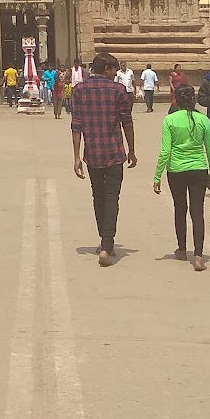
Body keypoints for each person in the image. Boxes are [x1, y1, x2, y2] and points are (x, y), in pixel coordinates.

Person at [70, 52, 136, 267]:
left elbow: (76, 125)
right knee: (111, 197)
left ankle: (104, 239)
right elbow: (127, 122)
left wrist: (76, 157)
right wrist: (132, 150)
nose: (115, 73)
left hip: (93, 154)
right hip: (115, 152)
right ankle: (107, 243)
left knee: (98, 196)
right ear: (107, 69)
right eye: (114, 70)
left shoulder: (79, 90)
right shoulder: (117, 90)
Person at [153, 83, 210, 270]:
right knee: (197, 212)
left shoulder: (170, 120)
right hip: (198, 169)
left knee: (180, 208)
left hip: (176, 170)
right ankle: (198, 255)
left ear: (176, 100)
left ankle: (181, 249)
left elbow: (165, 151)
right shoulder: (203, 120)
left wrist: (157, 176)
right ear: (194, 99)